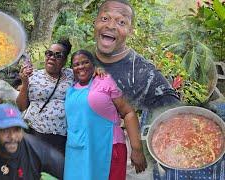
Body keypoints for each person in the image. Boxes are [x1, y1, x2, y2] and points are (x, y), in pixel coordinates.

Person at [94, 1, 224, 180]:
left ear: (130, 31)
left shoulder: (142, 72)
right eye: (105, 18)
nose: (111, 25)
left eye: (121, 22)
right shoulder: (84, 61)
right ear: (95, 22)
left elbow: (169, 103)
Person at [64, 50, 146, 180]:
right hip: (79, 151)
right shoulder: (70, 89)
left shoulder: (106, 81)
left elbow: (128, 112)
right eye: (76, 64)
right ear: (72, 69)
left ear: (93, 64)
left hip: (109, 149)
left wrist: (137, 149)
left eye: (85, 62)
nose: (81, 67)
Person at [0, 103, 64, 180]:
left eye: (17, 130)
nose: (12, 137)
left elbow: (71, 174)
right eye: (5, 130)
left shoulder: (36, 148)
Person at [16, 39, 74, 154]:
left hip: (61, 137)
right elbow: (21, 106)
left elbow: (88, 72)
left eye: (58, 55)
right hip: (34, 133)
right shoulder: (34, 76)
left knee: (55, 170)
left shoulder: (71, 75)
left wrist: (98, 69)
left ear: (65, 60)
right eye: (49, 53)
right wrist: (25, 83)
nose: (52, 57)